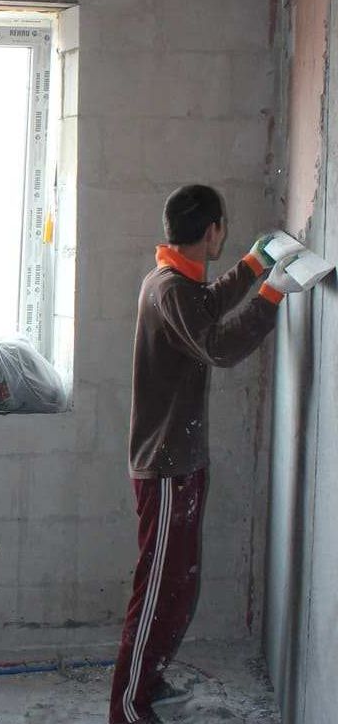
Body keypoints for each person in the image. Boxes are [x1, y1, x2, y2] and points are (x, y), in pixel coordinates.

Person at [108, 184, 308, 724]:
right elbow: (217, 344)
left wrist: (252, 266)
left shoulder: (174, 281)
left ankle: (149, 682)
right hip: (165, 467)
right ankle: (127, 707)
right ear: (212, 230)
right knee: (157, 592)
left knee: (178, 586)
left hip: (180, 462)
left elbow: (206, 308)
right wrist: (271, 294)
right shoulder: (169, 288)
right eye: (225, 230)